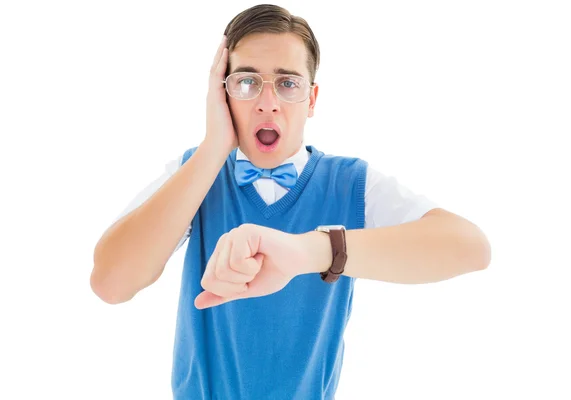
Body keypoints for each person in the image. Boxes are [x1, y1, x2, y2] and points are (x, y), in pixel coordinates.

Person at [91, 4, 491, 399]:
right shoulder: (196, 173)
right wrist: (213, 148)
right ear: (223, 94)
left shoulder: (350, 182)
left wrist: (310, 251)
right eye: (246, 82)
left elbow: (470, 248)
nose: (267, 102)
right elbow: (111, 284)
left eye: (287, 83)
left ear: (312, 99)